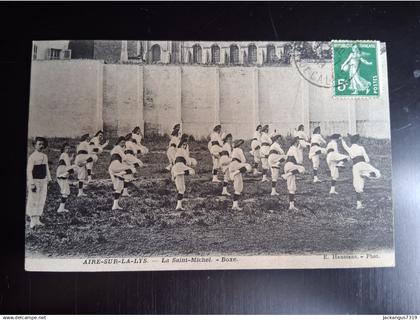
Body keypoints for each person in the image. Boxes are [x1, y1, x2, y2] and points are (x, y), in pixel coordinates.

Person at [342, 134, 381, 209]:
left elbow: (344, 146)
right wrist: (369, 167)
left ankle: (359, 205)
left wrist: (342, 140)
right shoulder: (361, 147)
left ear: (351, 142)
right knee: (377, 173)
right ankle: (368, 174)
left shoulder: (349, 149)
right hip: (362, 164)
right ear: (357, 141)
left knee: (358, 186)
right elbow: (367, 159)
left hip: (355, 167)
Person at [26, 137, 51, 228]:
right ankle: (32, 220)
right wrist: (32, 183)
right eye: (39, 144)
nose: (41, 146)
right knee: (33, 200)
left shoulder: (45, 156)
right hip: (35, 181)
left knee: (41, 199)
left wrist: (49, 179)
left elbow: (47, 168)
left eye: (42, 144)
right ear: (35, 145)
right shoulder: (32, 157)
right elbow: (29, 171)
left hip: (43, 181)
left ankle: (37, 219)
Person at [108, 136, 136, 210]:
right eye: (122, 142)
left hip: (113, 168)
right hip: (115, 165)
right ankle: (120, 174)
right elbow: (124, 157)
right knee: (132, 169)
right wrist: (131, 162)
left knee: (118, 187)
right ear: (118, 142)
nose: (123, 144)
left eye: (124, 142)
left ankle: (115, 205)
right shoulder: (117, 147)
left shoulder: (117, 149)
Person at [171, 134, 197, 211]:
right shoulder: (182, 150)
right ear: (181, 144)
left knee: (182, 189)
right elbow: (188, 162)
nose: (184, 146)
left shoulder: (178, 151)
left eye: (185, 145)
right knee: (192, 171)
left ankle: (179, 206)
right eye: (183, 144)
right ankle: (178, 206)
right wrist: (193, 161)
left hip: (176, 168)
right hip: (180, 167)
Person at [281, 137, 306, 211]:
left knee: (291, 188)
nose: (298, 143)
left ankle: (291, 205)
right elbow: (298, 160)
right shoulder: (294, 148)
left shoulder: (290, 149)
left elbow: (285, 158)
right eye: (297, 142)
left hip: (287, 166)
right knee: (302, 169)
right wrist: (300, 162)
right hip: (290, 165)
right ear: (295, 142)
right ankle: (286, 175)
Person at [228, 139, 252, 211]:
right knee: (248, 166)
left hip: (232, 166)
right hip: (236, 165)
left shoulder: (233, 150)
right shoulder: (239, 150)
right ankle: (234, 173)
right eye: (241, 144)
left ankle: (234, 205)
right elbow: (244, 160)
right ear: (240, 145)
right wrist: (243, 167)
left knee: (238, 187)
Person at [56, 143, 77, 213]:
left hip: (60, 172)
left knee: (66, 191)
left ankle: (61, 208)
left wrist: (72, 158)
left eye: (69, 148)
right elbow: (68, 165)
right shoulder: (64, 154)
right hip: (62, 172)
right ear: (63, 149)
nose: (68, 150)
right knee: (75, 167)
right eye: (66, 148)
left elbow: (67, 161)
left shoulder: (63, 155)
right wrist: (75, 166)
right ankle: (60, 209)